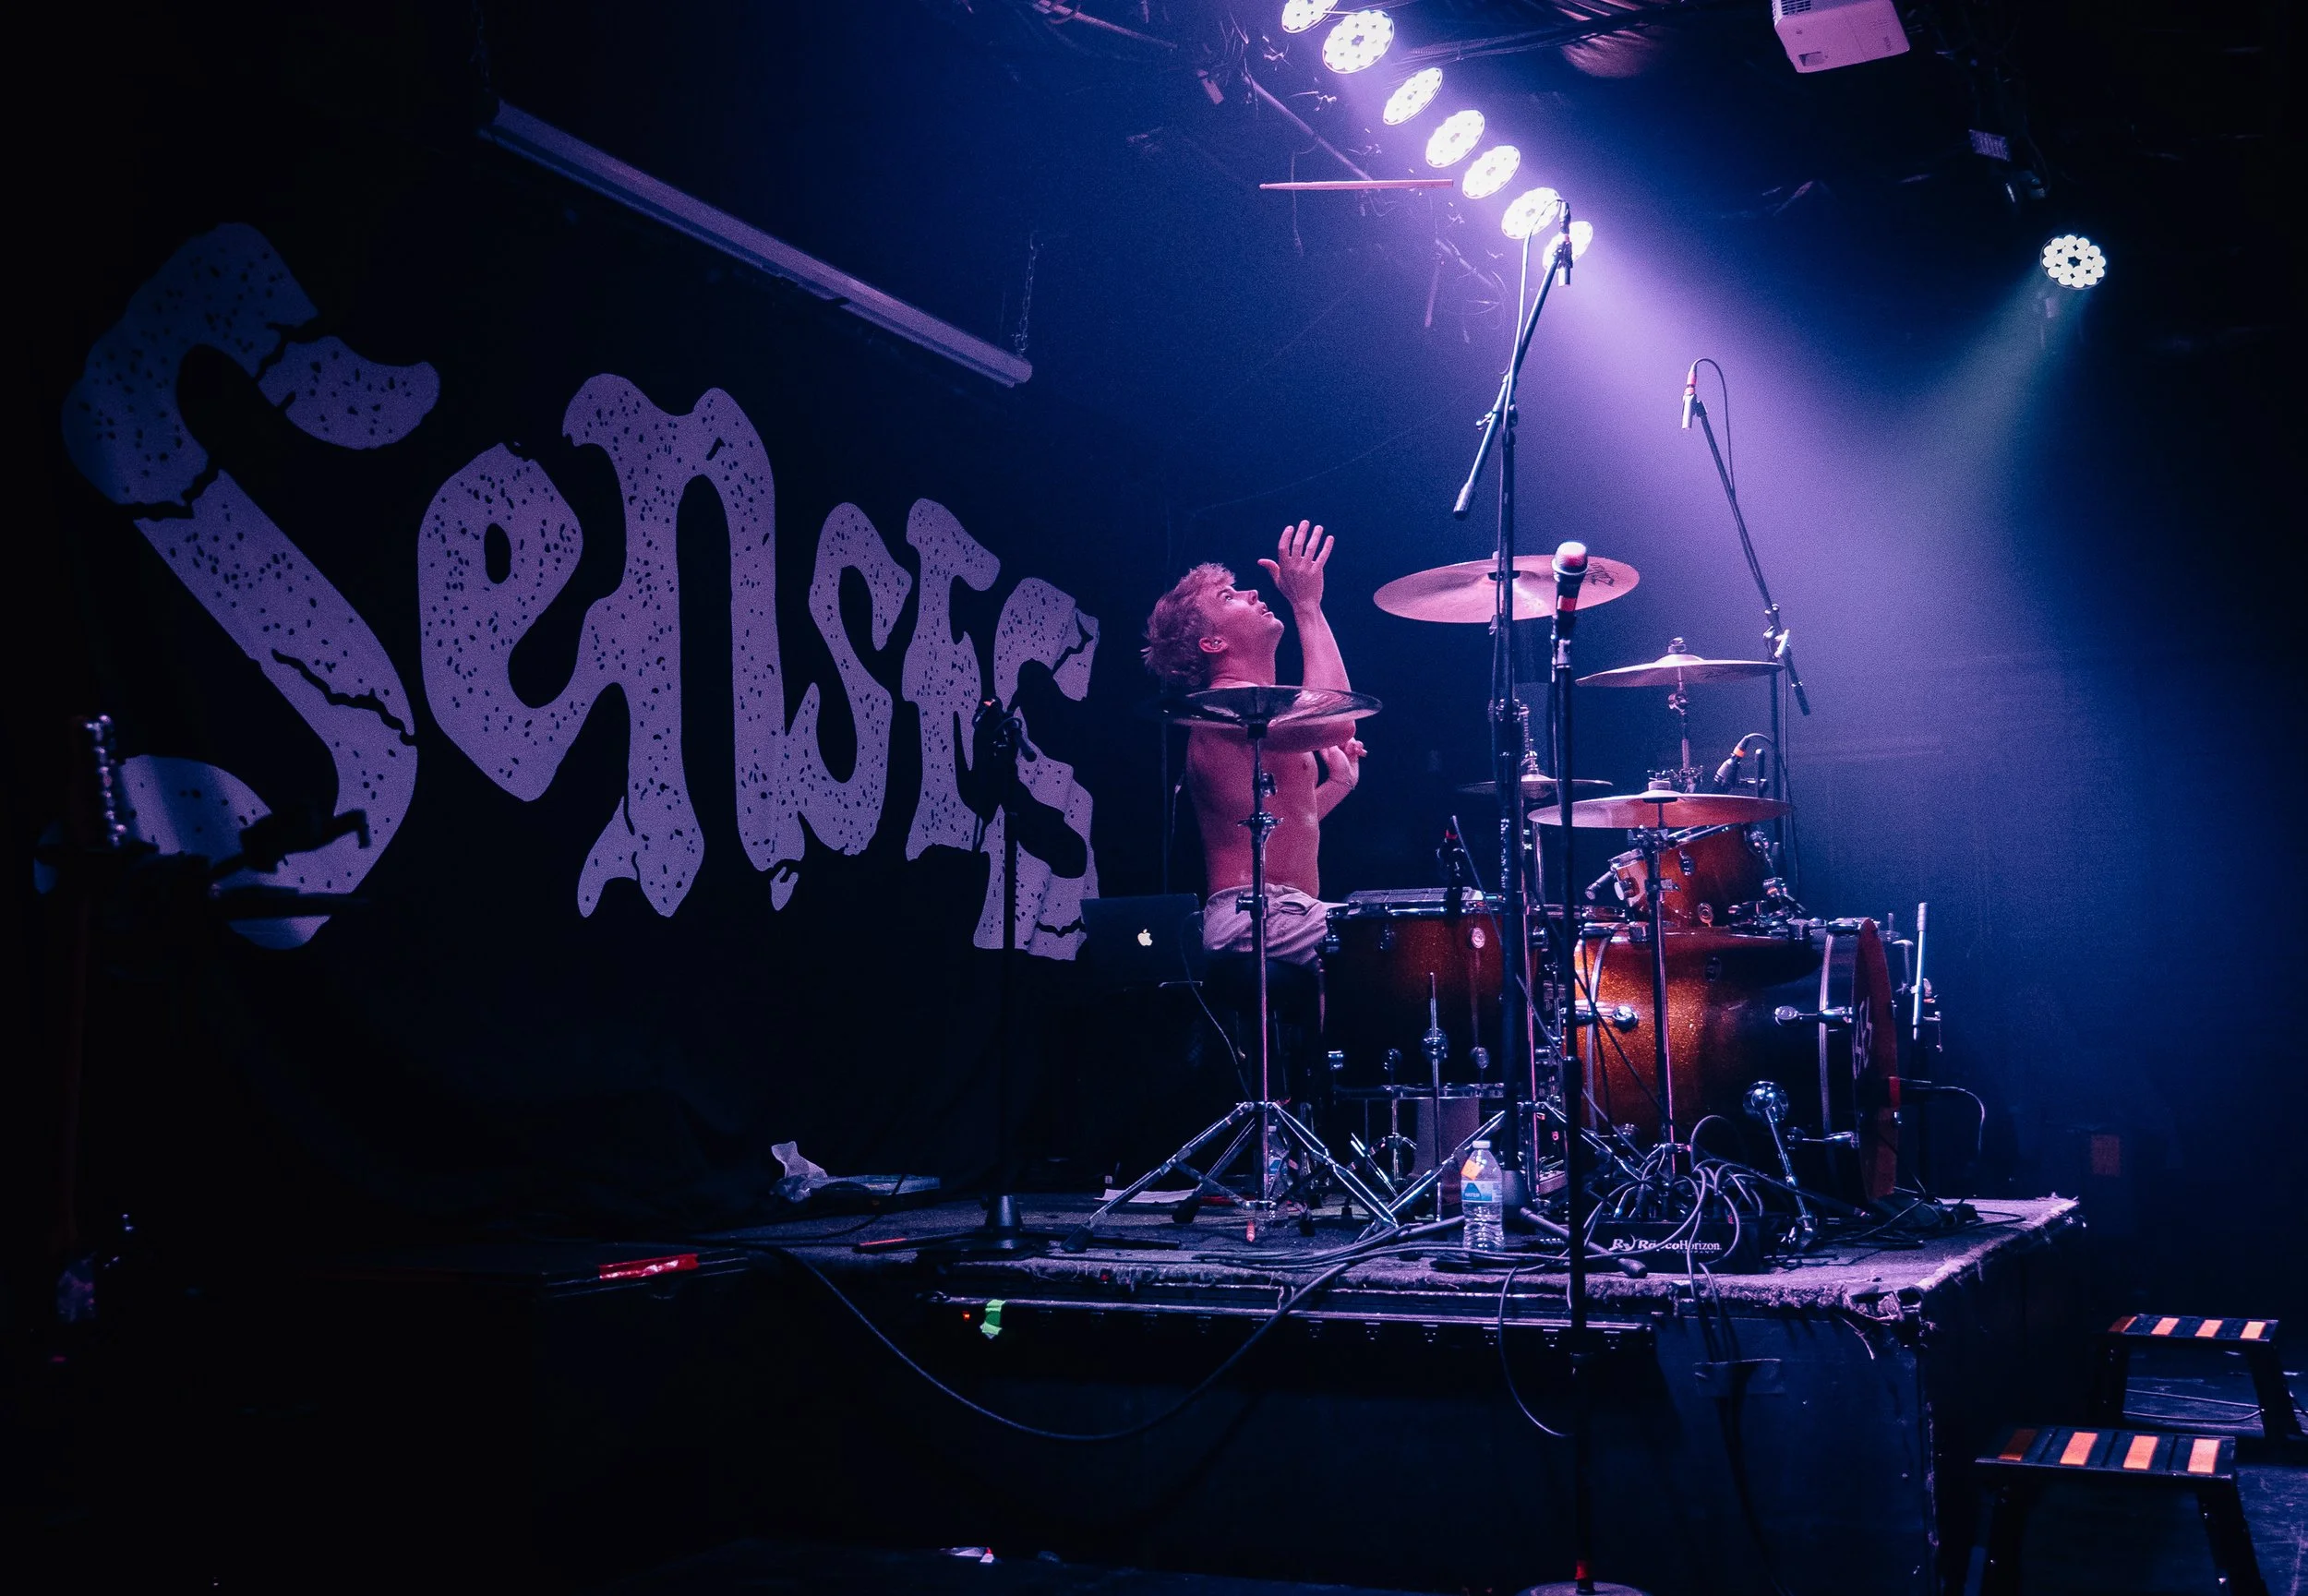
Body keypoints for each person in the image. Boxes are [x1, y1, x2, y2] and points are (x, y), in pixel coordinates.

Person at [1141, 520, 1365, 967]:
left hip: (1284, 913)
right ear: (1213, 642)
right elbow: (1336, 719)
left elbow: (1277, 826)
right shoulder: (1225, 706)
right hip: (1252, 915)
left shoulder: (1261, 714)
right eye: (1229, 597)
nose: (1252, 593)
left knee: (1393, 935)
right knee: (1383, 942)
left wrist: (1339, 784)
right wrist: (1306, 605)